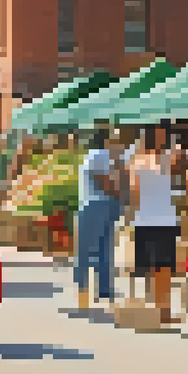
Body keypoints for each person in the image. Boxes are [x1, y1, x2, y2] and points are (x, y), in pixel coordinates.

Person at [130, 125, 181, 324]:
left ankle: (160, 310)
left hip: (153, 219)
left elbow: (134, 191)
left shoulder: (139, 161)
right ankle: (160, 309)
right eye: (160, 135)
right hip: (156, 219)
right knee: (159, 268)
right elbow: (134, 190)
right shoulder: (164, 159)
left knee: (158, 268)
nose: (163, 138)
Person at [75, 128, 124, 310]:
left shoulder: (99, 155)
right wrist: (120, 196)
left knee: (85, 250)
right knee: (103, 249)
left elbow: (105, 182)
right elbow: (105, 181)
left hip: (95, 204)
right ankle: (103, 289)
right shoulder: (100, 155)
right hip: (104, 204)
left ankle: (83, 289)